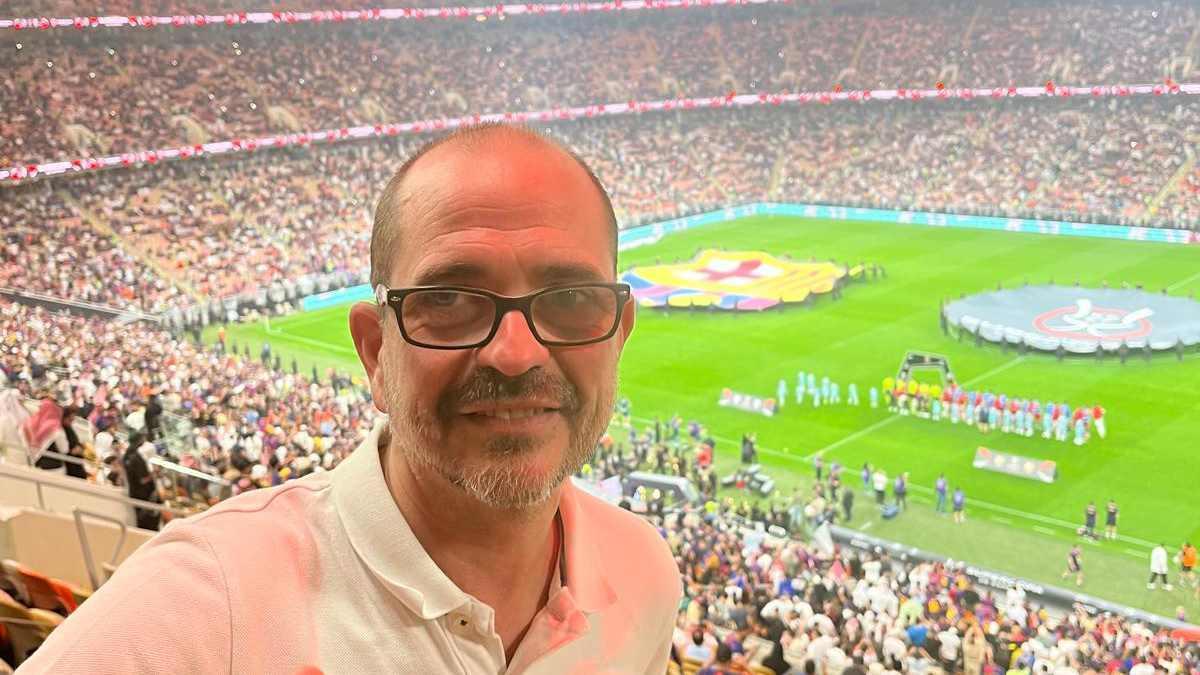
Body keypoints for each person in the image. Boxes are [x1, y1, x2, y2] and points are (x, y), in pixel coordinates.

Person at [24, 124, 681, 672]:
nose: (516, 352)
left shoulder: (644, 570)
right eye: (447, 300)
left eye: (569, 300)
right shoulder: (205, 606)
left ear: (618, 334)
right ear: (374, 351)